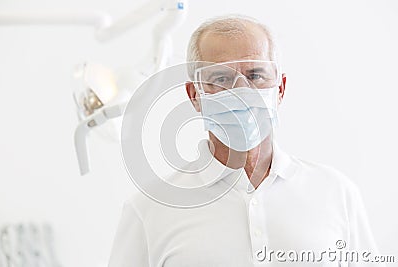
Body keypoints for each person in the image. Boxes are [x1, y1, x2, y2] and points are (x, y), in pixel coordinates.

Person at [109, 15, 384, 266]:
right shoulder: (149, 210)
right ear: (195, 95)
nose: (241, 90)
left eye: (255, 75)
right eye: (221, 78)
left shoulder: (335, 193)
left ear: (281, 88)